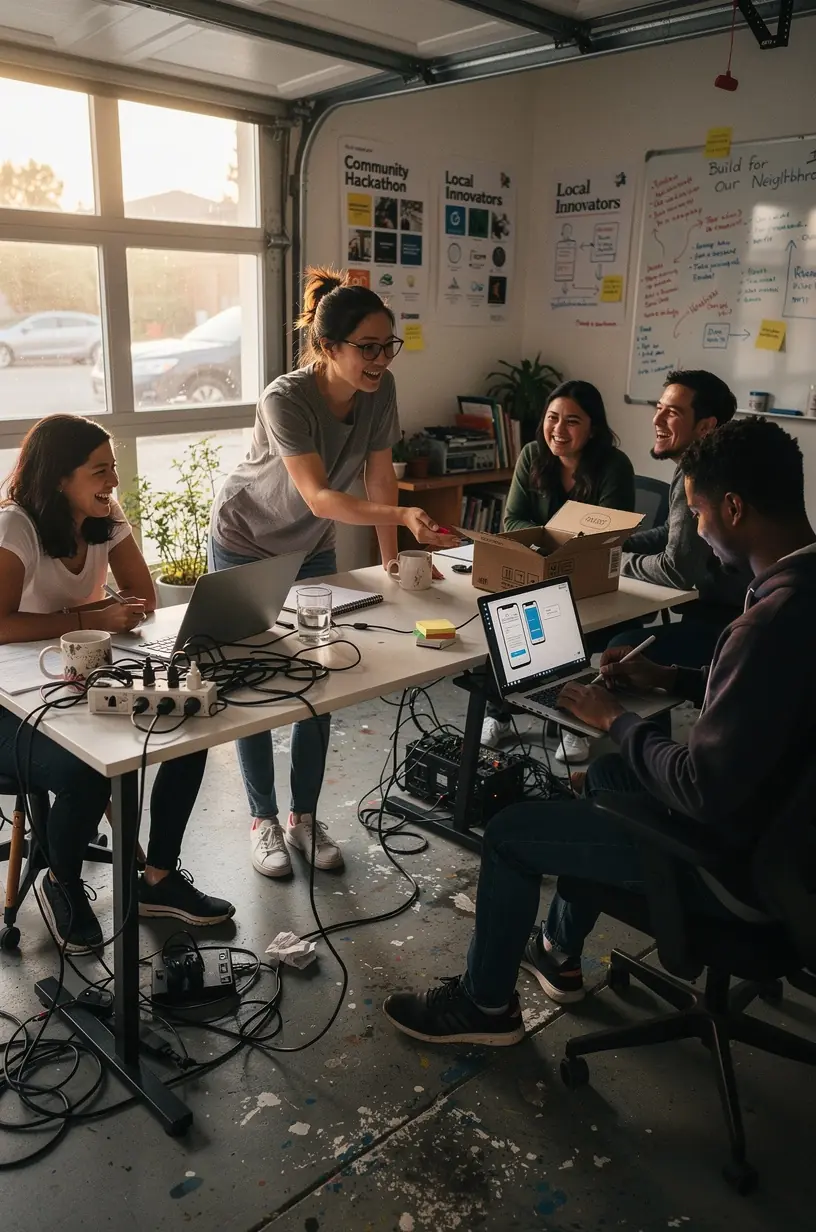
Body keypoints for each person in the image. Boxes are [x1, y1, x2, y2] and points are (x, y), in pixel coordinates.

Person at [383, 416, 816, 1045]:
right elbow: (771, 699)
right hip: (789, 838)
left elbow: (700, 789)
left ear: (734, 507)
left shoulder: (767, 624)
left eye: (697, 513)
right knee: (610, 771)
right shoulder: (801, 593)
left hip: (734, 866)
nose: (696, 528)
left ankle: (485, 1007)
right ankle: (558, 949)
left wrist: (616, 717)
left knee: (508, 834)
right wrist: (671, 678)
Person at [209, 267, 452, 882]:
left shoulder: (381, 389)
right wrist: (399, 515)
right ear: (327, 347)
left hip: (310, 549)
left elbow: (378, 473)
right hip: (246, 539)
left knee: (317, 678)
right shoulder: (285, 397)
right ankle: (263, 819)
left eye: (387, 344)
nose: (380, 358)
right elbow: (318, 494)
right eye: (366, 346)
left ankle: (304, 817)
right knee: (251, 681)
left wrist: (390, 556)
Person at [0, 415, 234, 954]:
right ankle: (61, 882)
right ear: (61, 478)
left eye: (114, 470)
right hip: (12, 703)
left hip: (78, 681)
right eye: (100, 471)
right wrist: (93, 616)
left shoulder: (105, 514)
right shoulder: (16, 525)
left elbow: (142, 594)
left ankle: (157, 878)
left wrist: (107, 615)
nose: (113, 483)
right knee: (86, 772)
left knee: (187, 726)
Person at [481, 379, 635, 764]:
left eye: (572, 421)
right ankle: (497, 713)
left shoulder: (614, 465)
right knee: (499, 619)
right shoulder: (533, 455)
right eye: (552, 419)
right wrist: (553, 542)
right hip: (538, 570)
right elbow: (512, 519)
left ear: (593, 427)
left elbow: (609, 534)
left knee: (571, 630)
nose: (558, 430)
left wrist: (549, 540)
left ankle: (573, 724)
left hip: (591, 576)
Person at [612, 369, 752, 669]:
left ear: (705, 427)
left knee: (622, 649)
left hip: (731, 624)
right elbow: (673, 531)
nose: (657, 420)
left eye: (672, 412)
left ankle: (637, 718)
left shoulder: (703, 474)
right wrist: (616, 545)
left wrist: (611, 562)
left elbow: (675, 571)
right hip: (719, 613)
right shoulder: (703, 464)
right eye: (658, 408)